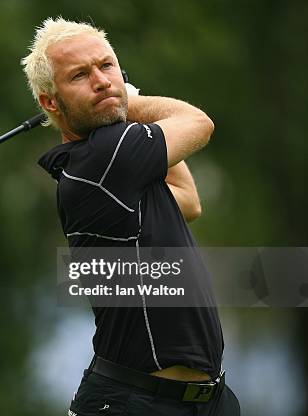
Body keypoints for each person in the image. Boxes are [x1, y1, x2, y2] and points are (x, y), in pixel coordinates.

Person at [22, 17, 241, 415]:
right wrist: (128, 102)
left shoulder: (111, 168)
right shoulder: (101, 157)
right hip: (135, 402)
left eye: (107, 66)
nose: (102, 81)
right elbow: (198, 123)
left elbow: (188, 200)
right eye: (80, 76)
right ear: (50, 102)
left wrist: (116, 104)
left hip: (201, 402)